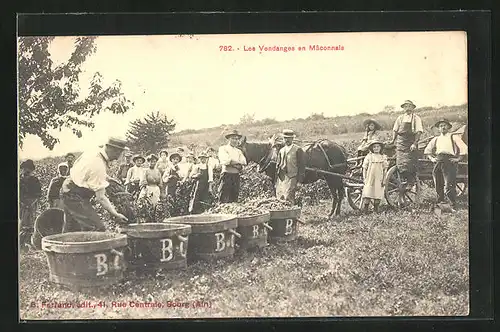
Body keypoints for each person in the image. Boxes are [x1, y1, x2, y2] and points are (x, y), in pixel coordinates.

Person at [60, 137, 129, 233]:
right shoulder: (98, 164)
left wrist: (108, 178)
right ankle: (98, 247)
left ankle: (63, 246)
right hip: (74, 195)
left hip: (68, 187)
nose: (120, 155)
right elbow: (100, 197)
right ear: (113, 150)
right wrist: (115, 214)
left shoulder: (94, 153)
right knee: (96, 228)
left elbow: (85, 170)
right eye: (120, 152)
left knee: (71, 227)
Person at [424, 119, 468, 211]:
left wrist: (458, 159)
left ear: (448, 127)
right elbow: (427, 150)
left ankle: (452, 205)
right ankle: (441, 204)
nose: (443, 127)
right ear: (438, 129)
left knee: (449, 185)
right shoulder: (436, 139)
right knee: (438, 183)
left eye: (444, 125)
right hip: (438, 161)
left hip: (449, 161)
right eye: (440, 126)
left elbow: (464, 148)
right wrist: (432, 158)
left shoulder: (453, 137)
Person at [389, 100, 423, 185]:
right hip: (400, 143)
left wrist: (415, 143)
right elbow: (395, 130)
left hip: (410, 142)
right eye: (406, 107)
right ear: (403, 108)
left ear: (412, 108)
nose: (407, 108)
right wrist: (393, 140)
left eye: (409, 106)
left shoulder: (416, 118)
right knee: (400, 162)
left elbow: (419, 131)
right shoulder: (400, 118)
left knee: (409, 162)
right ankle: (401, 179)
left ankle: (411, 181)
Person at [275, 129, 305, 205]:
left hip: (292, 177)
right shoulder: (281, 150)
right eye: (285, 138)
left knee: (289, 198)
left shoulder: (298, 150)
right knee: (280, 198)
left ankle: (291, 215)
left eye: (289, 138)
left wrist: (299, 181)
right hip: (282, 178)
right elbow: (278, 165)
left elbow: (301, 166)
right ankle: (282, 215)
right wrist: (277, 180)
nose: (287, 140)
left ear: (292, 139)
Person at [218, 129, 247, 203]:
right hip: (227, 176)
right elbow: (226, 161)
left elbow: (244, 162)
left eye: (237, 139)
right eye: (233, 138)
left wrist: (233, 163)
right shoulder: (223, 148)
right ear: (228, 139)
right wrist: (237, 164)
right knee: (224, 197)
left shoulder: (238, 151)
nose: (235, 140)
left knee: (234, 198)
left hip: (236, 176)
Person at [19, 159, 42, 248]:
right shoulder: (19, 180)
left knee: (32, 222)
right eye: (25, 168)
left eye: (29, 169)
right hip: (21, 204)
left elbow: (38, 194)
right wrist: (23, 203)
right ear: (22, 169)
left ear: (32, 170)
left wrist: (31, 203)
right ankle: (21, 242)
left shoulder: (35, 180)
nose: (27, 170)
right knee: (22, 222)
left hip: (32, 203)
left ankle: (30, 241)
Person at [361, 140, 389, 213]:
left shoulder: (383, 157)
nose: (376, 148)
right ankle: (365, 209)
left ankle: (376, 209)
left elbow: (385, 169)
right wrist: (364, 178)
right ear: (372, 148)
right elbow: (364, 168)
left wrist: (384, 179)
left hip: (379, 177)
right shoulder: (369, 156)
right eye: (374, 147)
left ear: (380, 148)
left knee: (377, 193)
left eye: (377, 147)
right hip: (370, 177)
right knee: (368, 192)